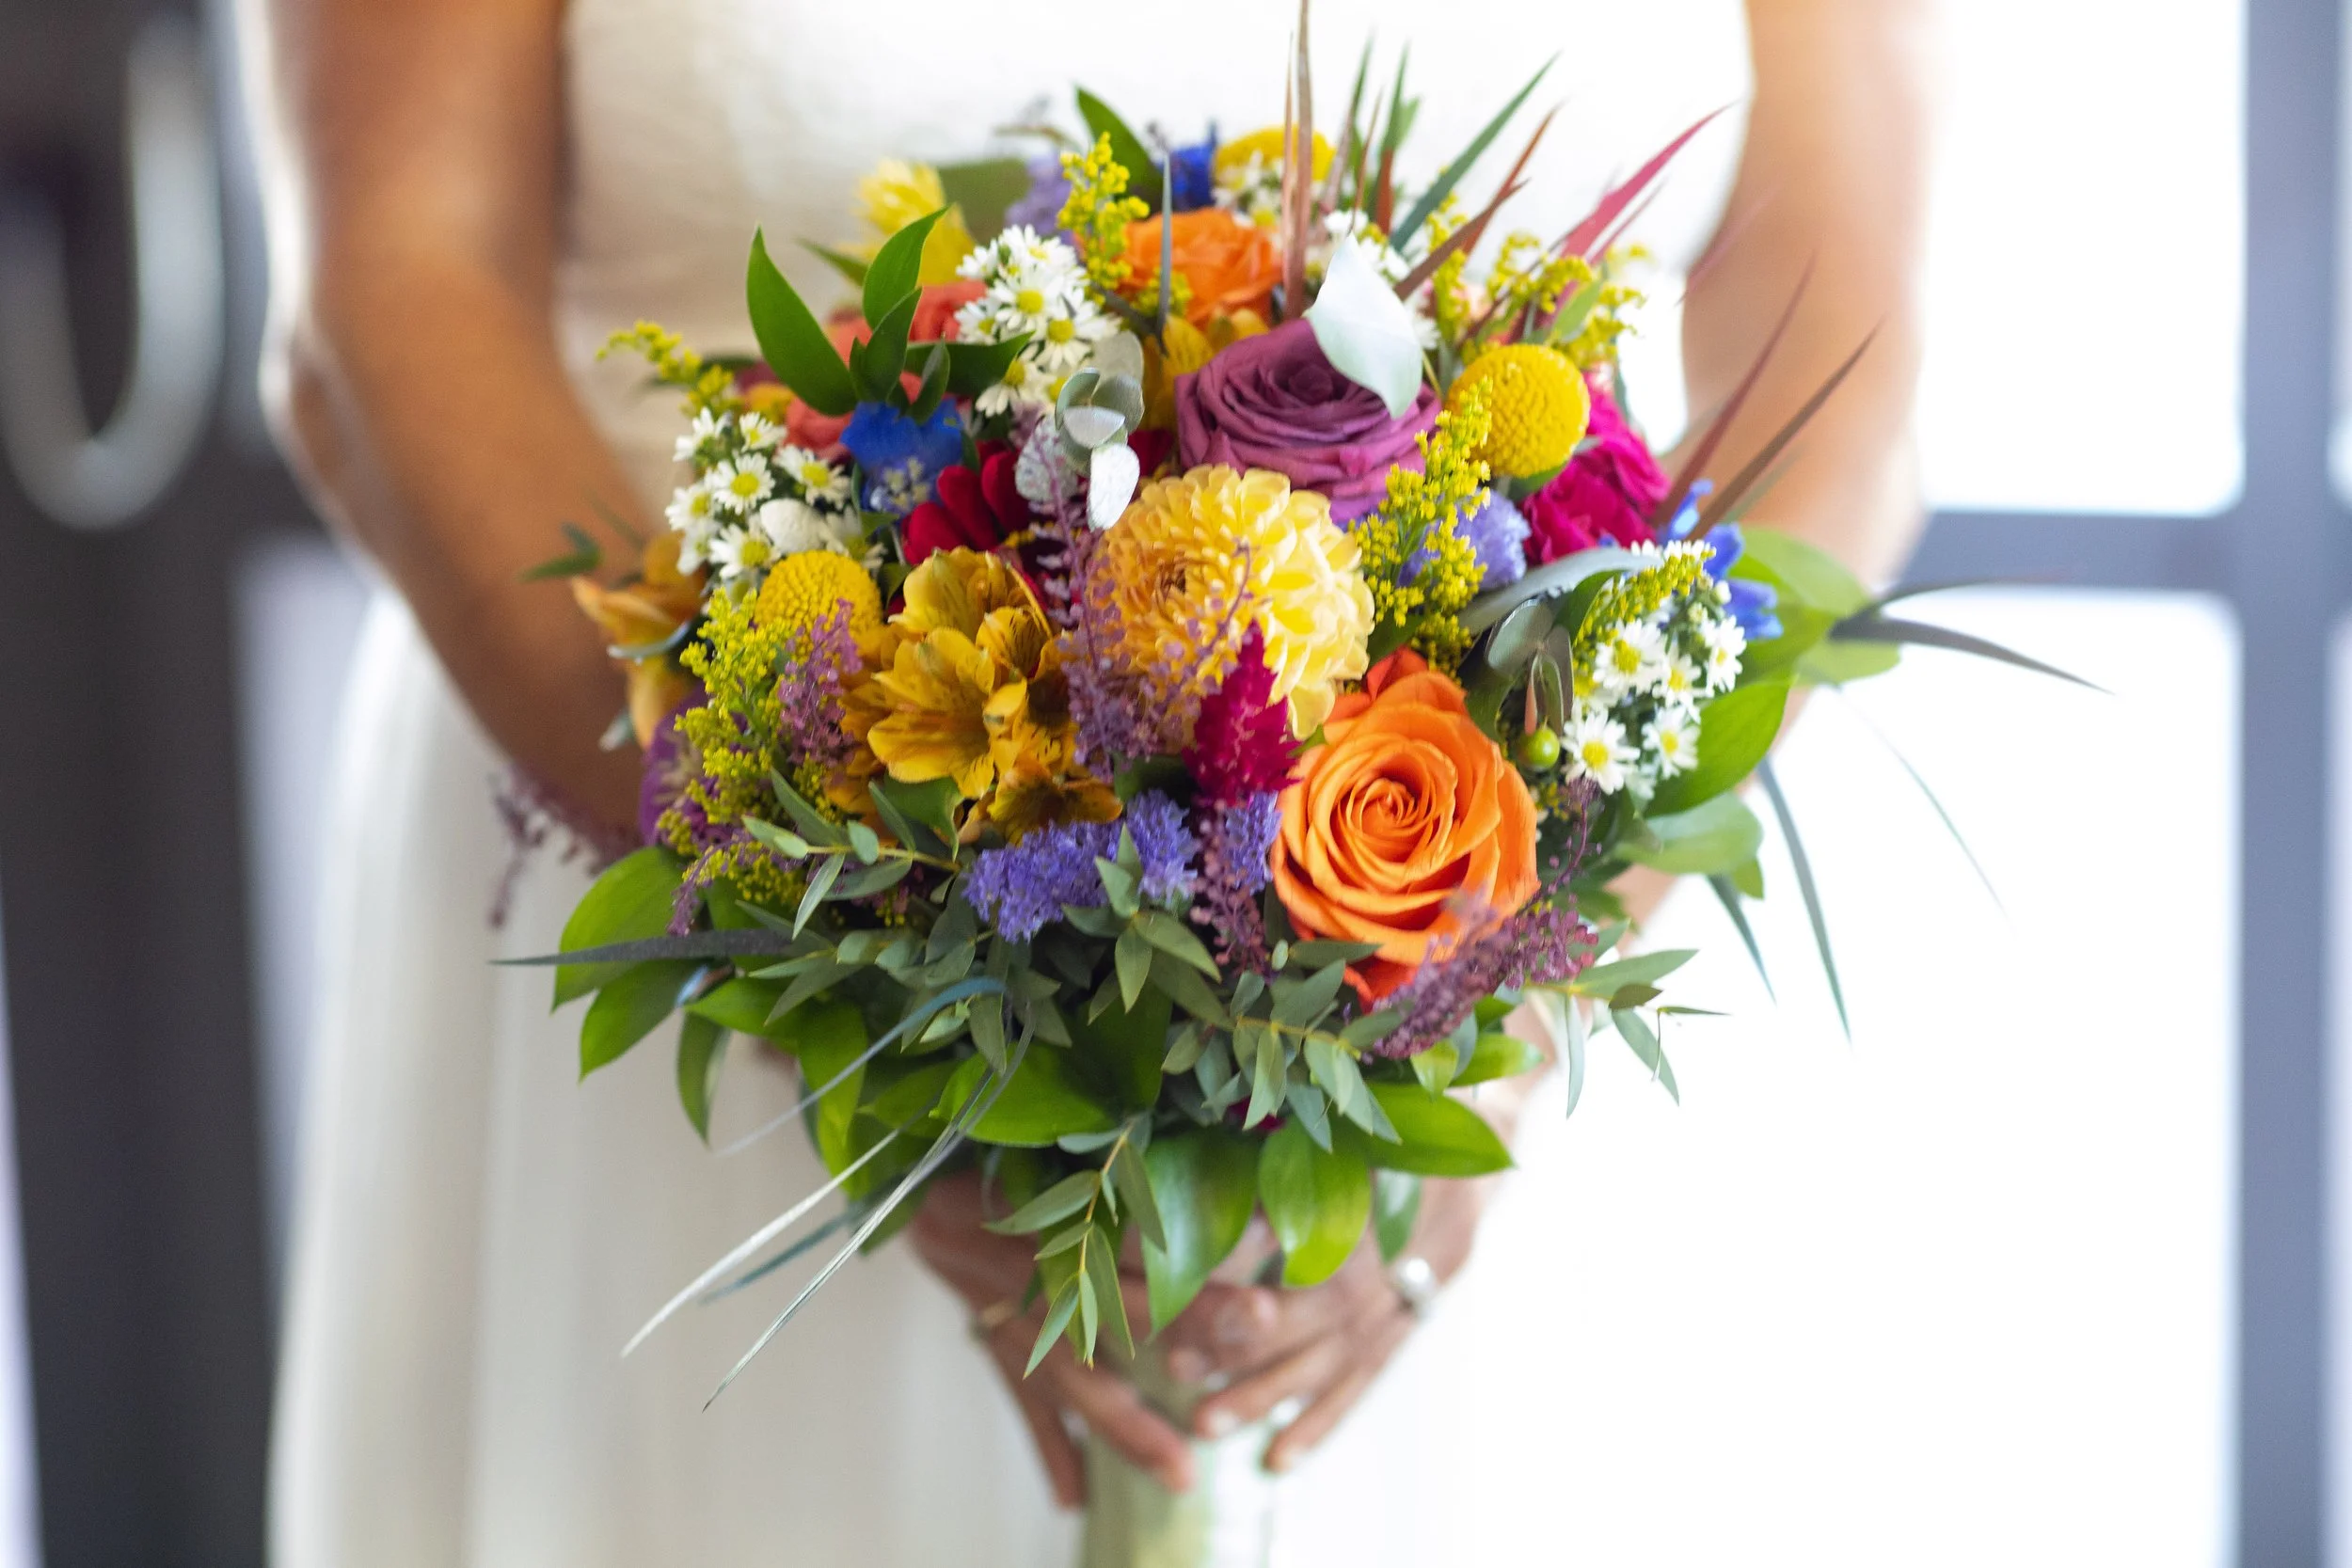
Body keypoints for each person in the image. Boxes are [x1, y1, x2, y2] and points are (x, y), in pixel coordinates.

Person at [246, 0, 1932, 1561]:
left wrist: (1488, 1014)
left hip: (1518, 1032)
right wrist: (854, 1023)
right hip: (703, 910)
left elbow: (1839, 337)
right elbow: (391, 293)